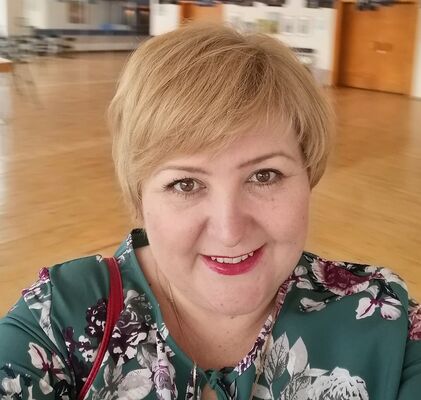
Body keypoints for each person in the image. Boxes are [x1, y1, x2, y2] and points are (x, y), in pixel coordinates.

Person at [0, 23, 420, 400]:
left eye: (264, 175)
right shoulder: (58, 320)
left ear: (308, 176)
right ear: (139, 197)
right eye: (186, 184)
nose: (229, 229)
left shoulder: (385, 323)